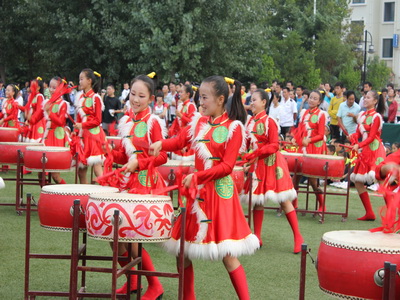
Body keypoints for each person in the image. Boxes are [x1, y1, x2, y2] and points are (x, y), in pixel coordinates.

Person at [149, 76, 259, 300]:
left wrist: (198, 175)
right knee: (182, 250)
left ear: (220, 99)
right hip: (197, 194)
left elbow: (227, 167)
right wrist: (162, 143)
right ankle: (188, 297)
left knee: (227, 255)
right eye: (200, 97)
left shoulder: (234, 127)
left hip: (219, 197)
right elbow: (180, 141)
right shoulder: (199, 121)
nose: (201, 101)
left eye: (205, 97)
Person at [111, 74, 167, 298]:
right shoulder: (126, 120)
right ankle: (132, 281)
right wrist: (107, 153)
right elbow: (125, 155)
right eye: (133, 94)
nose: (135, 99)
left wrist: (140, 163)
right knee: (115, 236)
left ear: (151, 98)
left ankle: (155, 284)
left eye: (141, 96)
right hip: (127, 182)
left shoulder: (153, 122)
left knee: (133, 238)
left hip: (145, 183)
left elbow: (163, 157)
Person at [242, 89, 302, 253]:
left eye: (254, 100)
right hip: (258, 165)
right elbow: (247, 144)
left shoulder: (270, 121)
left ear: (264, 102)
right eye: (251, 99)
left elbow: (275, 145)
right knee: (258, 200)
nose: (251, 102)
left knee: (283, 200)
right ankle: (258, 237)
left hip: (273, 164)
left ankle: (298, 236)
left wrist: (257, 153)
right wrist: (245, 157)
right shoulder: (250, 122)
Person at [350, 90, 386, 221]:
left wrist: (358, 145)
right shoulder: (362, 115)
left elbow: (372, 137)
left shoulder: (376, 117)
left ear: (375, 101)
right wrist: (353, 137)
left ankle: (392, 213)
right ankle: (369, 212)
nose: (365, 99)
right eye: (365, 97)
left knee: (382, 182)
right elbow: (359, 134)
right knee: (358, 181)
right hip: (365, 151)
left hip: (375, 150)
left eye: (368, 98)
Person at [29, 77, 72, 184]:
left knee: (55, 175)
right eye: (50, 87)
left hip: (57, 138)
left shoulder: (63, 104)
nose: (51, 90)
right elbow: (34, 119)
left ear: (61, 89)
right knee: (41, 173)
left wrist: (49, 112)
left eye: (54, 87)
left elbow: (61, 122)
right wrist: (28, 115)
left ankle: (65, 195)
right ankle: (47, 196)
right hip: (46, 138)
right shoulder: (46, 103)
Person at [292, 90, 327, 212]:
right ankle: (293, 204)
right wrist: (295, 139)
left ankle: (322, 204)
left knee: (312, 179)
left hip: (314, 149)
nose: (311, 100)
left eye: (315, 98)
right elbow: (299, 130)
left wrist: (309, 140)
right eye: (311, 97)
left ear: (319, 102)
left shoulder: (321, 114)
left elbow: (321, 135)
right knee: (296, 176)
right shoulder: (304, 112)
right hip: (303, 147)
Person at [73, 69, 106, 184]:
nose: (80, 82)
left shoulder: (95, 98)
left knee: (97, 168)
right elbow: (79, 118)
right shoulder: (80, 98)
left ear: (89, 81)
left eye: (82, 79)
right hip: (82, 137)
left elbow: (98, 120)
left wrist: (82, 125)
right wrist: (75, 131)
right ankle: (84, 198)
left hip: (93, 136)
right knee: (81, 171)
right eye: (79, 79)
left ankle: (106, 194)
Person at [20, 78, 46, 142]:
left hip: (37, 122)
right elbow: (26, 108)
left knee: (36, 139)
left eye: (33, 86)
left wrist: (32, 119)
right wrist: (17, 106)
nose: (31, 87)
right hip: (31, 121)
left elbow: (39, 111)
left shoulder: (39, 96)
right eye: (31, 85)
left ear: (38, 88)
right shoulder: (31, 96)